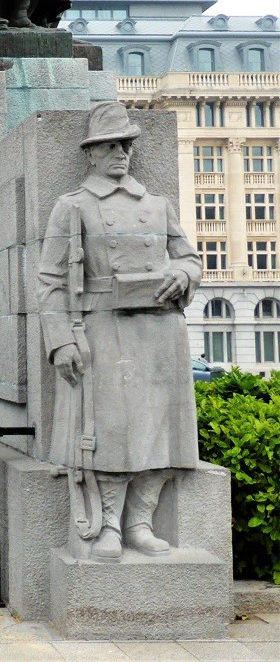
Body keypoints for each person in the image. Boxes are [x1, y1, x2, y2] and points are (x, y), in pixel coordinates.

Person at [39, 102, 202, 562]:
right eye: (110, 145)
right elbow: (49, 281)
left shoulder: (157, 205)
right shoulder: (73, 207)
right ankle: (109, 525)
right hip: (104, 331)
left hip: (161, 331)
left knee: (161, 431)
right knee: (111, 430)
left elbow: (188, 256)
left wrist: (186, 276)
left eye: (126, 145)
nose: (120, 153)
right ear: (91, 153)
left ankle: (140, 522)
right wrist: (62, 342)